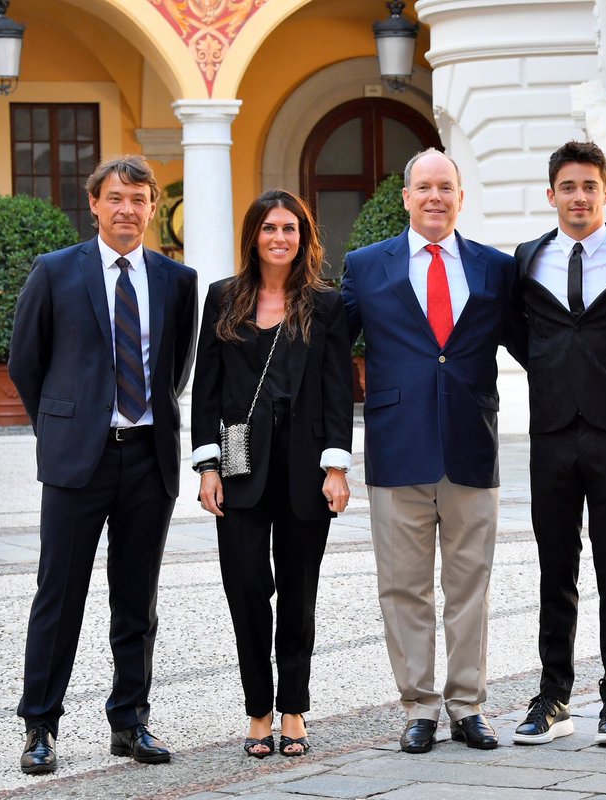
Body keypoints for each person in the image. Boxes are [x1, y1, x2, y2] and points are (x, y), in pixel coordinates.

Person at [9, 155, 198, 774]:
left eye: (139, 199)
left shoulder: (177, 280)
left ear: (151, 207)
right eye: (116, 198)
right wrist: (64, 426)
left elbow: (175, 370)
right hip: (76, 465)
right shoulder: (56, 271)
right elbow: (24, 363)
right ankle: (40, 726)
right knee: (58, 595)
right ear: (94, 203)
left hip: (148, 458)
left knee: (136, 599)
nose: (127, 209)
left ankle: (130, 721)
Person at [340, 148, 524, 754]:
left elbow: (536, 349)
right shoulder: (366, 266)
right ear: (407, 197)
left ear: (460, 196)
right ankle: (418, 706)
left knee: (471, 584)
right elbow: (329, 359)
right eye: (424, 187)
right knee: (403, 586)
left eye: (446, 186)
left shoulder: (496, 269)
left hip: (472, 445)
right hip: (398, 448)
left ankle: (467, 705)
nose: (435, 197)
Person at [191, 190, 353, 758]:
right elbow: (205, 389)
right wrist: (206, 465)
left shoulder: (326, 306)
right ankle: (257, 709)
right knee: (247, 587)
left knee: (299, 593)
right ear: (253, 236)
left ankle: (292, 711)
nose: (279, 237)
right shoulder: (222, 298)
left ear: (303, 237)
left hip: (306, 468)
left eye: (290, 228)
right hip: (239, 463)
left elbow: (338, 391)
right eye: (269, 228)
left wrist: (337, 466)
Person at [511, 141, 606, 747]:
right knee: (556, 568)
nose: (578, 197)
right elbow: (515, 332)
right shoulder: (526, 258)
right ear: (552, 195)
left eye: (588, 187)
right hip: (549, 431)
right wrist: (552, 368)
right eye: (567, 187)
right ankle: (553, 696)